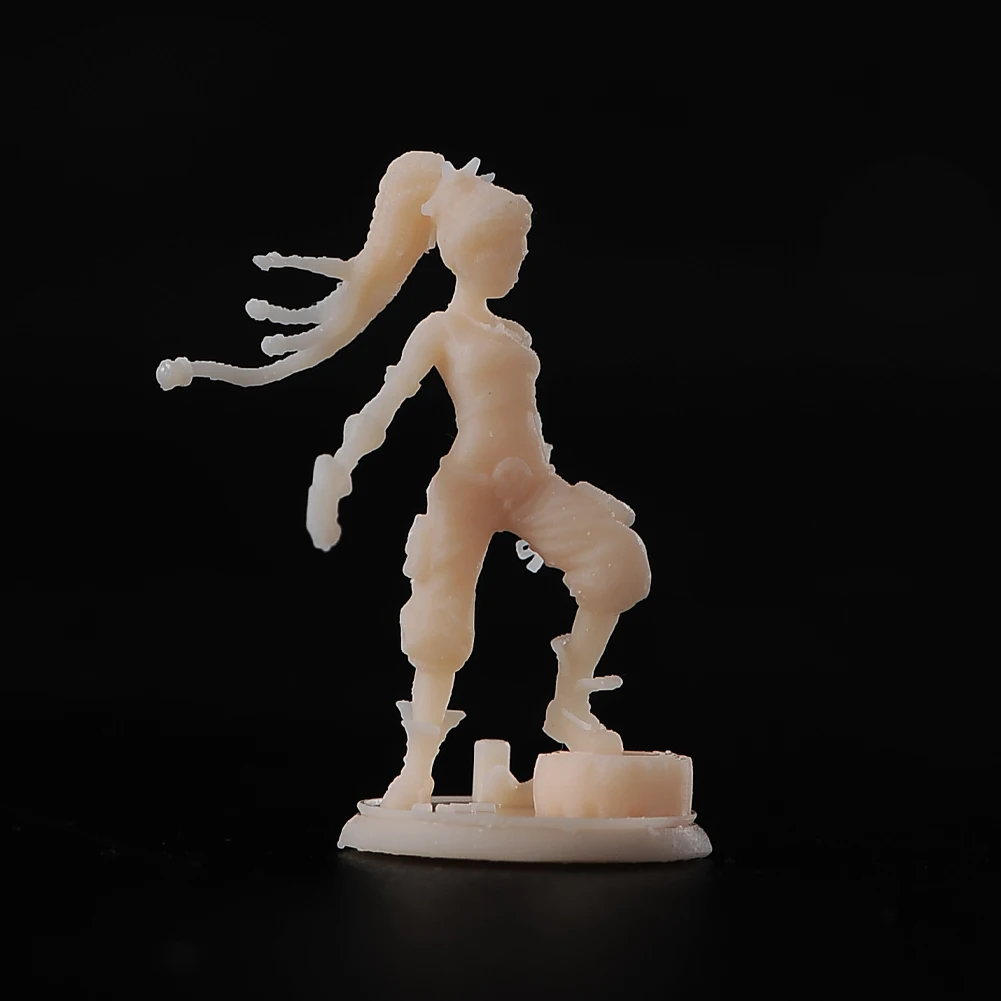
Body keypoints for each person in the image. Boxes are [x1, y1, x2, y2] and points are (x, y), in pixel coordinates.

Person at [157, 152, 650, 808]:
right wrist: (339, 467)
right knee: (439, 624)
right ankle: (416, 769)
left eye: (520, 247)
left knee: (618, 564)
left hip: (531, 484)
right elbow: (384, 404)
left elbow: (526, 422)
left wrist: (567, 487)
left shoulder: (513, 332)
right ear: (464, 252)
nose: (517, 259)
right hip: (467, 486)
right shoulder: (441, 328)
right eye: (504, 248)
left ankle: (568, 706)